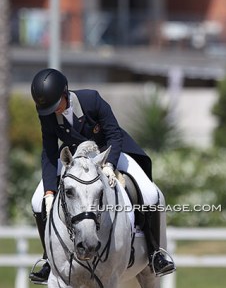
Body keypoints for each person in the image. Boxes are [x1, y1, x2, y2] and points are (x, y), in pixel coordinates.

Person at [29, 68, 175, 284]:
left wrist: (109, 165)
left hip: (110, 151)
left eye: (56, 105)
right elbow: (50, 152)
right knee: (36, 200)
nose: (54, 112)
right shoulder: (48, 113)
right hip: (76, 160)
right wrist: (50, 192)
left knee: (150, 193)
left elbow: (114, 134)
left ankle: (155, 253)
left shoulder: (91, 99)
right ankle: (49, 258)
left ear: (65, 92)